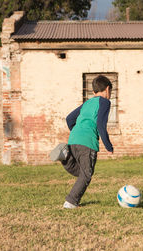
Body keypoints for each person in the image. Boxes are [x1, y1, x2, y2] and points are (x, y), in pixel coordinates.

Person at [50, 75, 114, 209]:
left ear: (93, 92)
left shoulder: (87, 103)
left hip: (73, 139)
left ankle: (66, 157)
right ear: (107, 89)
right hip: (87, 142)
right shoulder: (104, 102)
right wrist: (108, 145)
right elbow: (101, 124)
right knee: (87, 174)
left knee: (82, 172)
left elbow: (69, 119)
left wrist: (77, 132)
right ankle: (71, 202)